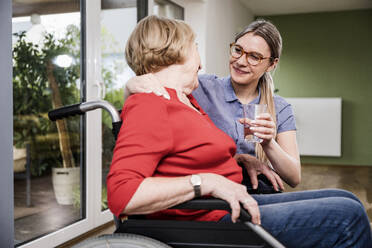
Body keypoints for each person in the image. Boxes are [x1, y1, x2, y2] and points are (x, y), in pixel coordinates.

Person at [107, 15, 372, 248]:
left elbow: (185, 151)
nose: (200, 60)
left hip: (229, 199)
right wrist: (207, 181)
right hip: (210, 216)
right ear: (175, 53)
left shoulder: (188, 100)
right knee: (346, 217)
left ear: (271, 64)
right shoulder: (159, 102)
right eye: (195, 47)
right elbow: (122, 194)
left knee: (347, 199)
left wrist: (242, 157)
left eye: (255, 56)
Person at [124, 19, 301, 193]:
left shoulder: (280, 107)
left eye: (254, 57)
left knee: (329, 199)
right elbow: (155, 90)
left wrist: (268, 143)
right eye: (237, 50)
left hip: (255, 187)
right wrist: (131, 85)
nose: (240, 61)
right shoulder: (200, 87)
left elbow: (294, 178)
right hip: (212, 192)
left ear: (272, 64)